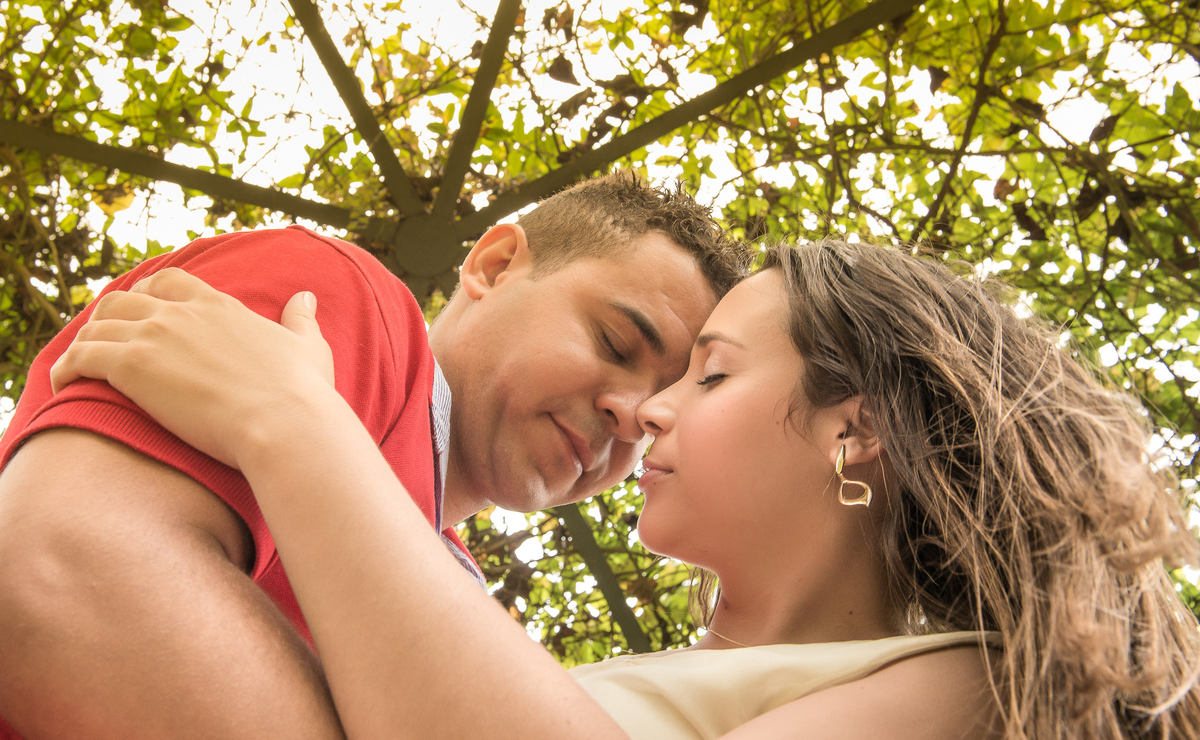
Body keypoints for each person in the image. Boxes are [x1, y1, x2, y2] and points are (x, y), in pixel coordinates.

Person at [45, 238, 1200, 739]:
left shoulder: (975, 688)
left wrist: (294, 428)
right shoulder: (342, 310)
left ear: (857, 436)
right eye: (637, 347)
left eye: (713, 372)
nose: (644, 411)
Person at [0, 171, 749, 739]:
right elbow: (55, 575)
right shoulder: (342, 303)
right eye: (616, 343)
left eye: (654, 420)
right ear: (492, 265)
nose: (628, 415)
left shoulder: (449, 587)